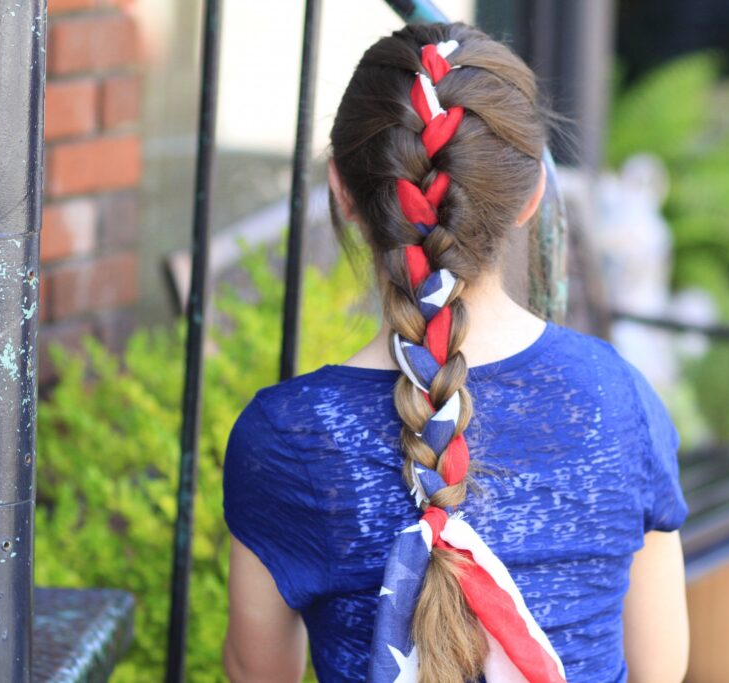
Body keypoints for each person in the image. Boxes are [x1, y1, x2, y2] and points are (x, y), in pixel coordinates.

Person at [221, 21, 689, 683]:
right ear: (530, 197)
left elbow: (257, 671)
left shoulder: (290, 434)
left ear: (344, 191)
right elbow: (661, 668)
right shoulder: (617, 399)